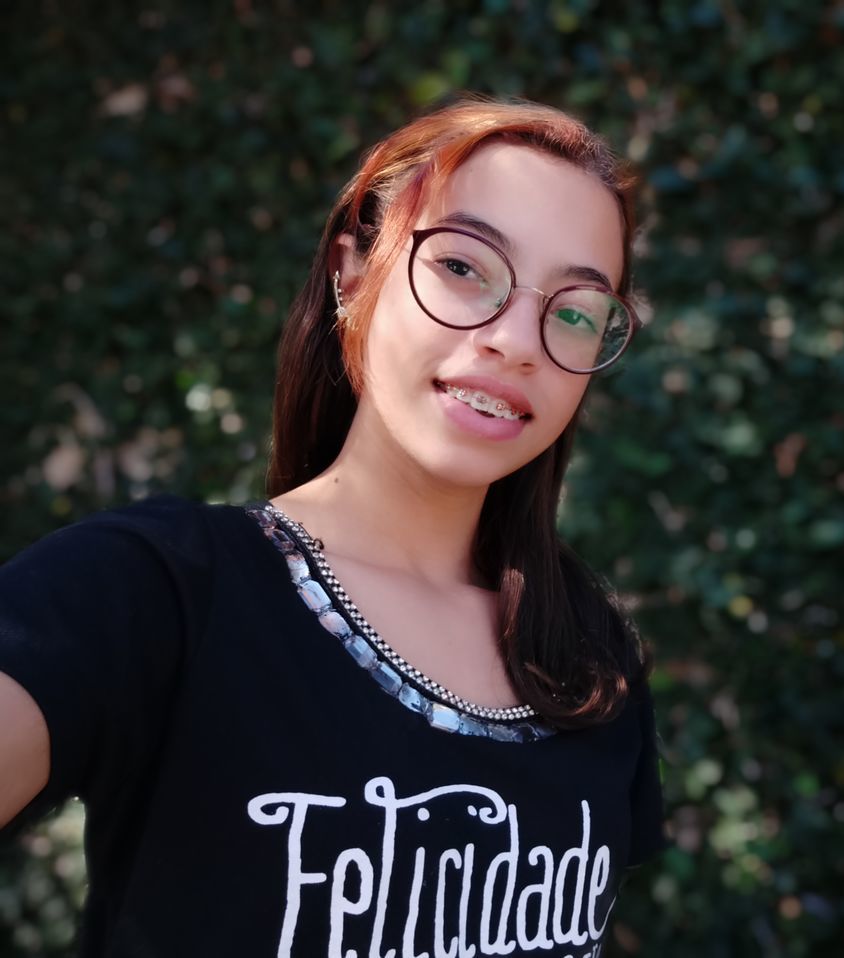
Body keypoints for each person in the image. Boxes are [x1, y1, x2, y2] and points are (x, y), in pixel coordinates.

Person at [0, 95, 665, 956]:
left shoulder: (588, 657)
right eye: (465, 267)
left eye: (575, 310)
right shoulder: (154, 593)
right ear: (354, 271)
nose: (517, 340)